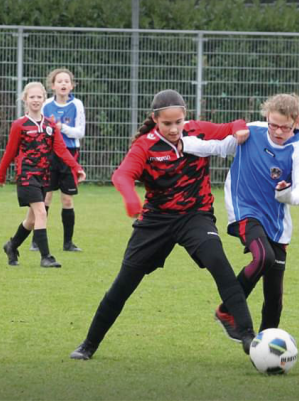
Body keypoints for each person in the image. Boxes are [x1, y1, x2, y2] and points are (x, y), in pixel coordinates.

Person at [69, 89, 256, 360]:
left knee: (220, 263)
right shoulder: (145, 146)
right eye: (167, 123)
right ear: (155, 119)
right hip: (156, 221)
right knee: (123, 284)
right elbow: (122, 175)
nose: (174, 128)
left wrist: (239, 128)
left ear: (185, 118)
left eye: (178, 122)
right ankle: (88, 344)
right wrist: (132, 201)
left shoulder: (198, 131)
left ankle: (248, 336)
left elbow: (233, 126)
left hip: (195, 216)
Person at [181, 93, 299, 340]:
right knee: (263, 257)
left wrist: (287, 196)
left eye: (285, 127)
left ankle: (266, 347)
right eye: (273, 124)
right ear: (266, 117)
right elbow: (217, 147)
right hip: (244, 209)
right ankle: (227, 310)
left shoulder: (297, 151)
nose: (278, 131)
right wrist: (181, 144)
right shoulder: (251, 132)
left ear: (296, 123)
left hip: (277, 225)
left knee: (274, 297)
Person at [0, 81, 86, 268]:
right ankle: (46, 257)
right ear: (25, 100)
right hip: (26, 176)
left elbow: (61, 150)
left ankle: (11, 246)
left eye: (39, 97)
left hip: (43, 176)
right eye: (32, 97)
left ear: (44, 99)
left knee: (31, 220)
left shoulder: (51, 126)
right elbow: (10, 152)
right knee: (41, 212)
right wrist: (1, 175)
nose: (35, 100)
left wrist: (76, 167)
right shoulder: (19, 125)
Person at [30, 68, 85, 253]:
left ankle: (68, 243)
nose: (63, 84)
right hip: (49, 153)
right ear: (53, 86)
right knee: (45, 196)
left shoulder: (77, 105)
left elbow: (80, 132)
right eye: (59, 81)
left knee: (67, 199)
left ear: (72, 85)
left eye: (66, 81)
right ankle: (37, 240)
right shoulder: (46, 105)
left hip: (69, 153)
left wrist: (62, 128)